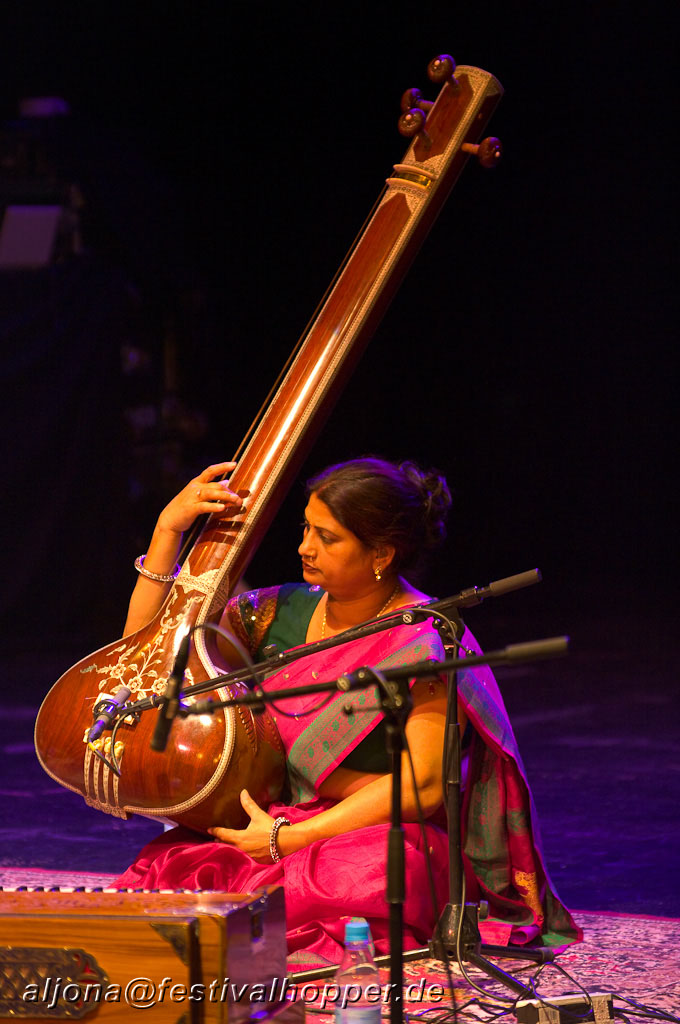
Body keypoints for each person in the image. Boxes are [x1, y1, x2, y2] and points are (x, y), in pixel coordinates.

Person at [117, 457, 581, 965]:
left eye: (327, 537)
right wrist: (167, 531)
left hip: (362, 833)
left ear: (380, 553)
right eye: (305, 529)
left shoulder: (422, 641)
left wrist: (292, 837)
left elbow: (423, 783)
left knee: (376, 875)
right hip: (267, 816)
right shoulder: (278, 611)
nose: (303, 547)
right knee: (176, 871)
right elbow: (148, 656)